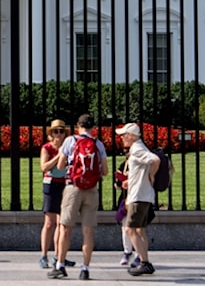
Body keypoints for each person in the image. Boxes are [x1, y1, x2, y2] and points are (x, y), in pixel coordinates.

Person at [48, 113, 107, 281]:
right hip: (92, 190)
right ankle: (85, 268)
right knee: (88, 231)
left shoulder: (70, 141)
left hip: (73, 188)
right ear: (92, 127)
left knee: (65, 227)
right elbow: (105, 171)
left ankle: (60, 265)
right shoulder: (98, 144)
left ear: (77, 126)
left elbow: (60, 165)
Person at [116, 123, 160, 277]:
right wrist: (131, 180)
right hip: (141, 194)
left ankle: (145, 262)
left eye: (124, 135)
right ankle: (144, 261)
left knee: (130, 229)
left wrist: (151, 176)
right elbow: (143, 168)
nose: (122, 138)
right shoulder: (138, 148)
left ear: (131, 136)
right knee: (139, 230)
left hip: (138, 196)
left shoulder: (137, 148)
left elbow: (155, 160)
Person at [38, 118, 69, 270]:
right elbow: (44, 167)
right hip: (50, 185)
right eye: (56, 131)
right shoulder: (47, 148)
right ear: (51, 133)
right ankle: (44, 255)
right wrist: (58, 156)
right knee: (49, 223)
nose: (58, 134)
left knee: (61, 222)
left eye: (61, 131)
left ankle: (59, 255)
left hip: (65, 184)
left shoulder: (69, 147)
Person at [114, 157, 137, 267]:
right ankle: (127, 251)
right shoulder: (124, 165)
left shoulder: (141, 164)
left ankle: (138, 253)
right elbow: (117, 185)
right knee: (125, 227)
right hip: (126, 199)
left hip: (138, 198)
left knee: (138, 228)